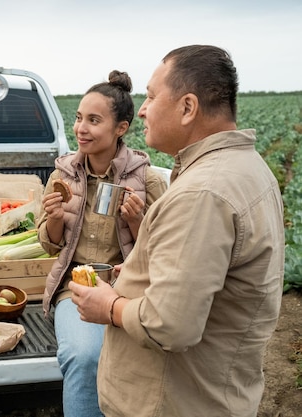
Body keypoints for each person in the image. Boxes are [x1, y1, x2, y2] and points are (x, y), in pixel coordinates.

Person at [70, 45, 285, 417]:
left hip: (171, 402)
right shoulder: (248, 168)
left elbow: (169, 326)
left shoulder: (202, 193)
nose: (141, 109)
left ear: (187, 108)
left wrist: (111, 306)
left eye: (152, 97)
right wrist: (140, 273)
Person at [37, 71, 168, 417]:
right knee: (84, 356)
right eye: (79, 118)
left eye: (94, 120)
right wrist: (53, 218)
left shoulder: (147, 179)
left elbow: (165, 251)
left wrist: (139, 221)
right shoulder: (61, 177)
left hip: (128, 288)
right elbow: (51, 248)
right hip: (76, 288)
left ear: (121, 128)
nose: (81, 128)